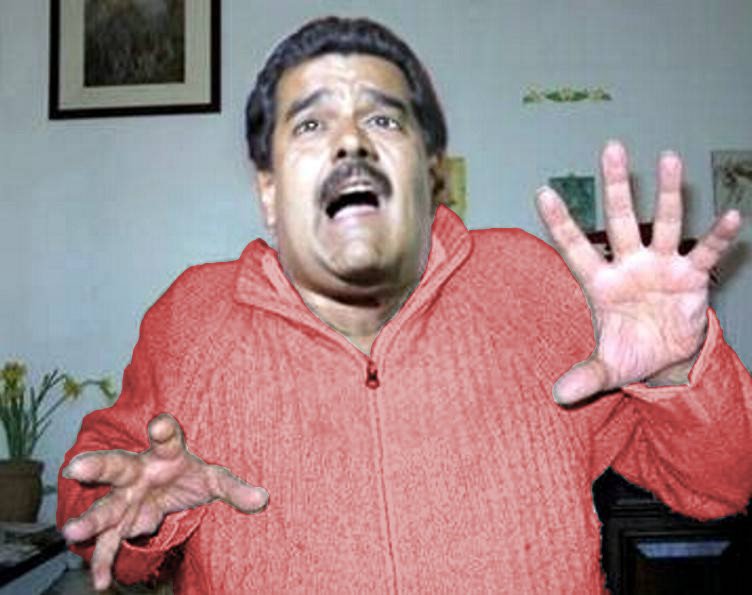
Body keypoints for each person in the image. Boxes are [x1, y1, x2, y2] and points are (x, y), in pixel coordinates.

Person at [58, 16, 752, 594]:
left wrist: (678, 372)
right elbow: (94, 508)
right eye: (310, 125)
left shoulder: (534, 283)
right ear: (269, 188)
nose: (350, 144)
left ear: (428, 170)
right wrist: (145, 514)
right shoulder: (193, 318)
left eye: (383, 119)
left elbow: (724, 485)